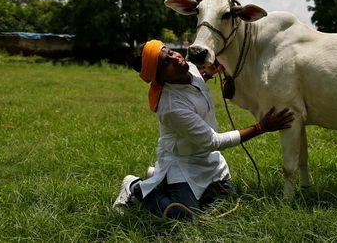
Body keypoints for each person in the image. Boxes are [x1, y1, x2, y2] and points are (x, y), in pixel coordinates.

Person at [113, 39, 294, 220]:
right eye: (165, 63)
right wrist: (261, 127)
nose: (175, 58)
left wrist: (207, 73)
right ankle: (136, 187)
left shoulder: (189, 68)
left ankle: (161, 180)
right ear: (159, 78)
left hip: (208, 160)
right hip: (183, 164)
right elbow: (213, 142)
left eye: (169, 51)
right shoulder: (171, 107)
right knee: (187, 217)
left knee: (227, 200)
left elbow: (194, 88)